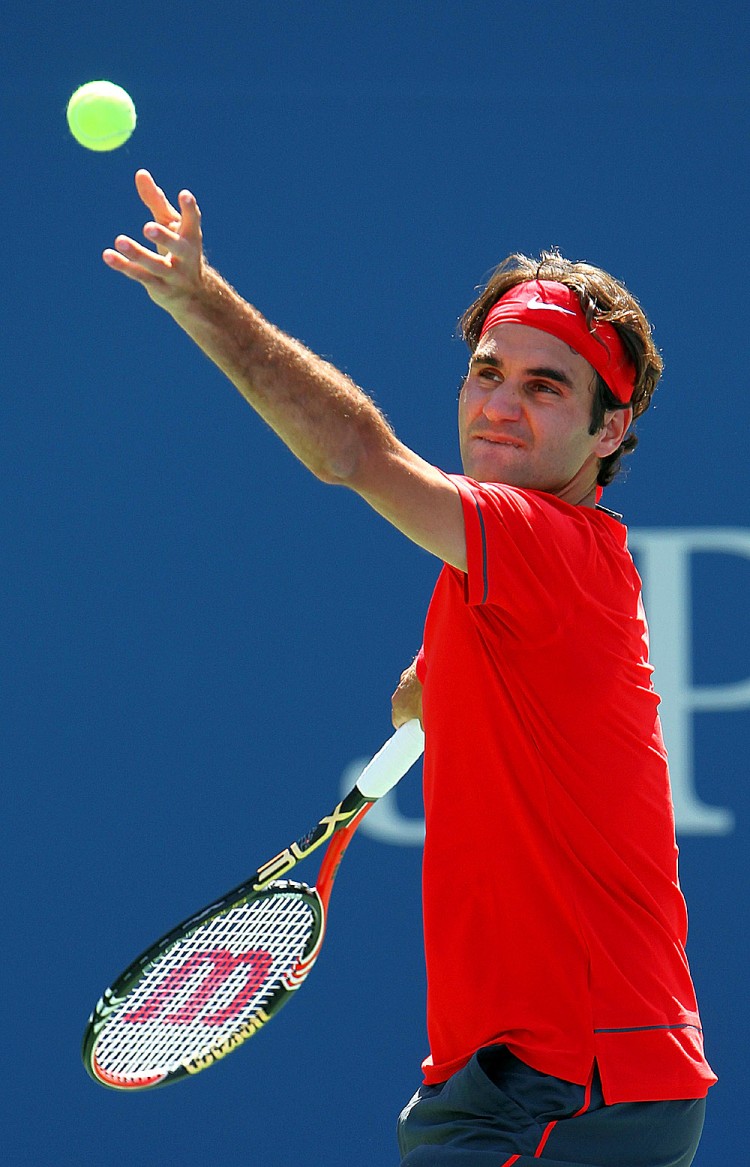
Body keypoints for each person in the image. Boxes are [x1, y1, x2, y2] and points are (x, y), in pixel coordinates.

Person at [105, 171, 716, 1166]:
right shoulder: (521, 572)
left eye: (545, 386)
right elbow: (422, 699)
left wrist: (199, 299)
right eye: (487, 373)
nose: (500, 407)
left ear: (611, 431)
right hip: (569, 1079)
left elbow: (349, 452)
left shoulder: (540, 542)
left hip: (562, 1084)